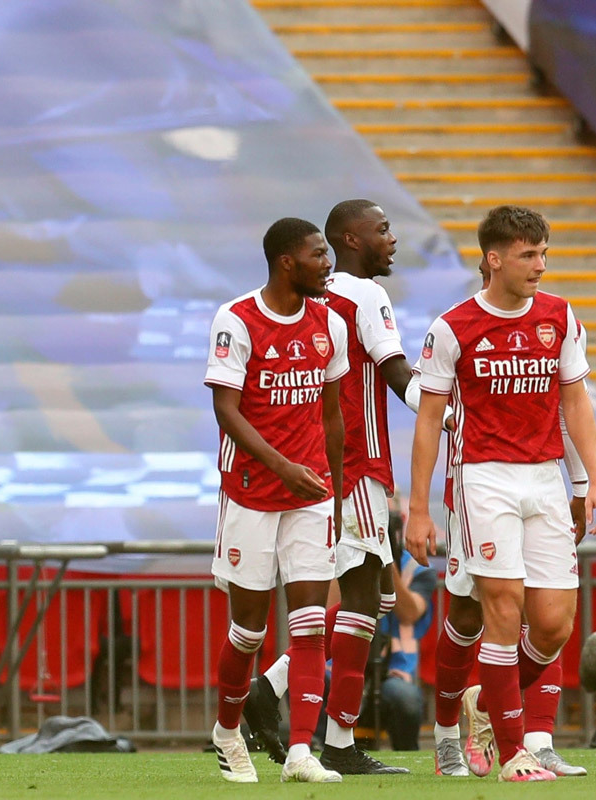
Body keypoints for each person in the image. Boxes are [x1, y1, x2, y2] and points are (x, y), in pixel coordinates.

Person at [407, 205, 596, 782]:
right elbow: (429, 420)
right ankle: (515, 751)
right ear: (493, 259)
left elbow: (575, 402)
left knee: (552, 625)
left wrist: (594, 481)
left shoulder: (559, 317)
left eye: (544, 254)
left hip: (545, 477)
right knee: (500, 610)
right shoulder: (453, 328)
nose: (540, 266)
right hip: (483, 479)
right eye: (528, 255)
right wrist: (419, 507)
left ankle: (485, 705)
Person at [243, 200, 417, 775]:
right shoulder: (365, 295)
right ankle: (338, 740)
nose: (391, 238)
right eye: (382, 229)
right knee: (365, 602)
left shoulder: (318, 296)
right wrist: (454, 410)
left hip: (332, 463)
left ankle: (272, 685)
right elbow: (398, 376)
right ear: (352, 239)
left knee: (376, 598)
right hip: (357, 464)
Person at [204, 217, 348, 784]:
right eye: (318, 254)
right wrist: (283, 467)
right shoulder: (237, 319)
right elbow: (226, 409)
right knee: (250, 631)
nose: (328, 263)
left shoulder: (329, 323)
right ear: (288, 262)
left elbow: (332, 416)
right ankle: (226, 732)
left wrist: (334, 491)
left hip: (311, 495)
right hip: (251, 492)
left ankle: (300, 752)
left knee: (310, 625)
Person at [373, 506, 436, 751]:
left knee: (406, 698)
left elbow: (410, 612)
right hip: (341, 666)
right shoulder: (344, 555)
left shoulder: (416, 569)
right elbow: (329, 605)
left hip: (394, 672)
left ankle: (406, 757)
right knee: (318, 684)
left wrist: (387, 560)